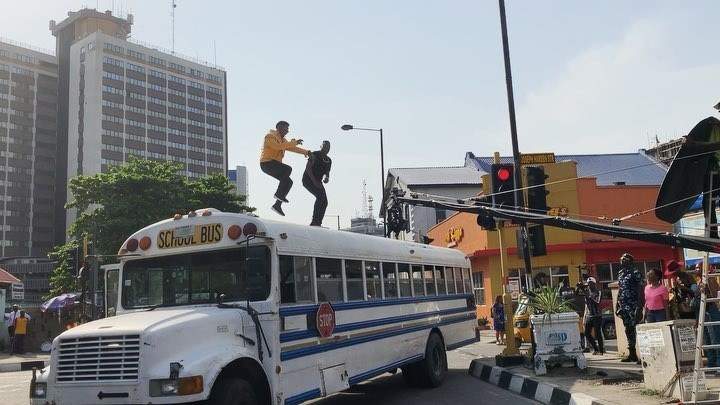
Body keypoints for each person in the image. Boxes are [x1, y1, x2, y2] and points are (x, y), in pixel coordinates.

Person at [260, 121, 309, 216]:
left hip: (275, 165)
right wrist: (293, 143)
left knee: (288, 182)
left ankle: (277, 205)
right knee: (288, 169)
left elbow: (292, 148)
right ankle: (279, 194)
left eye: (288, 129)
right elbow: (277, 147)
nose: (287, 131)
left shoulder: (283, 140)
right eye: (286, 129)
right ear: (279, 128)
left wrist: (306, 152)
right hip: (267, 164)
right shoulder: (270, 136)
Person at [616, 253, 644, 363]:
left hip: (633, 305)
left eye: (625, 259)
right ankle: (632, 354)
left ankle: (643, 356)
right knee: (628, 329)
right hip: (624, 306)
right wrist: (617, 304)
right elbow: (620, 288)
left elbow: (640, 289)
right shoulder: (620, 273)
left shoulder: (635, 272)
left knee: (637, 329)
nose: (622, 261)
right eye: (621, 259)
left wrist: (639, 306)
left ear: (630, 261)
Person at [302, 141, 332, 226]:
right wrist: (314, 181)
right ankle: (314, 222)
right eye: (325, 146)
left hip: (318, 182)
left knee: (325, 201)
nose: (327, 149)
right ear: (321, 146)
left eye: (328, 147)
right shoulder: (314, 154)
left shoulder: (328, 160)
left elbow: (327, 172)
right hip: (308, 180)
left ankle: (318, 222)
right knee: (320, 197)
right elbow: (308, 168)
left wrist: (327, 178)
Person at [583, 277, 604, 355]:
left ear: (594, 284)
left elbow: (597, 302)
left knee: (598, 334)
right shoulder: (587, 292)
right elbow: (577, 294)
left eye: (590, 284)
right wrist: (579, 288)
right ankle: (595, 348)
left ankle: (601, 351)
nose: (589, 285)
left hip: (597, 315)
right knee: (587, 333)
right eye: (588, 284)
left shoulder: (598, 292)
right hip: (589, 316)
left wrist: (589, 295)